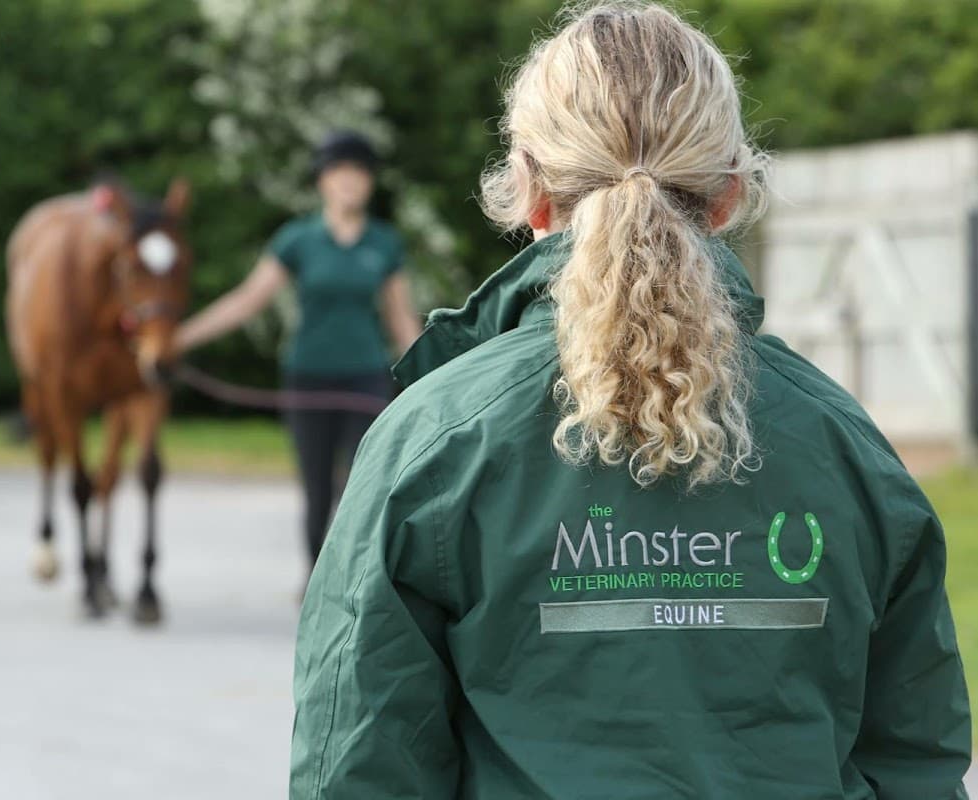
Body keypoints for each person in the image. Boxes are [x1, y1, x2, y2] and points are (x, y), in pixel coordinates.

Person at [290, 4, 971, 798]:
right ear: (727, 193)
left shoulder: (434, 443)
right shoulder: (842, 442)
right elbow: (914, 763)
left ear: (528, 188)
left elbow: (357, 770)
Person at [172, 131, 421, 570]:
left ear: (370, 183)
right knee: (317, 489)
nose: (349, 182)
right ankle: (315, 578)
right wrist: (180, 338)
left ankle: (354, 580)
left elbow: (401, 319)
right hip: (308, 376)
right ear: (321, 181)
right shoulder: (298, 240)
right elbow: (248, 299)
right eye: (339, 173)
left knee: (361, 486)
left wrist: (435, 375)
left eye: (358, 174)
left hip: (365, 377)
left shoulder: (384, 244)